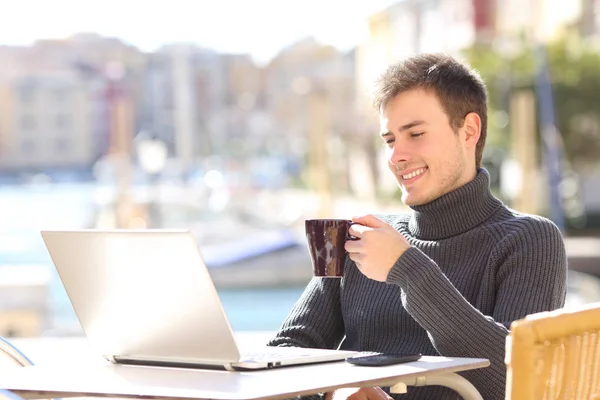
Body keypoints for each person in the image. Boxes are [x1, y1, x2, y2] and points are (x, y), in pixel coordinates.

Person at [267, 53, 567, 400]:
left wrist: (407, 269)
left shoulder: (531, 240)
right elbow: (286, 353)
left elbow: (517, 382)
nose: (396, 157)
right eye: (391, 140)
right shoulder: (358, 239)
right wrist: (336, 394)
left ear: (469, 130)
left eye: (416, 134)